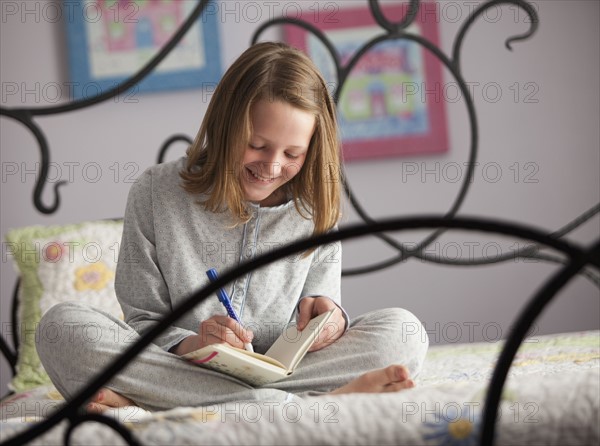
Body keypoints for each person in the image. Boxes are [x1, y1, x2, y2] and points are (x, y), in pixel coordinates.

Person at [36, 42, 428, 413]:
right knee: (62, 329)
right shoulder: (155, 192)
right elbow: (143, 320)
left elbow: (318, 312)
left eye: (293, 153)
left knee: (404, 332)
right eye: (257, 145)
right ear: (225, 127)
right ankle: (301, 407)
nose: (272, 166)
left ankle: (159, 400)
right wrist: (193, 343)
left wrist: (332, 319)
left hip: (279, 371)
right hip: (180, 367)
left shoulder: (315, 209)